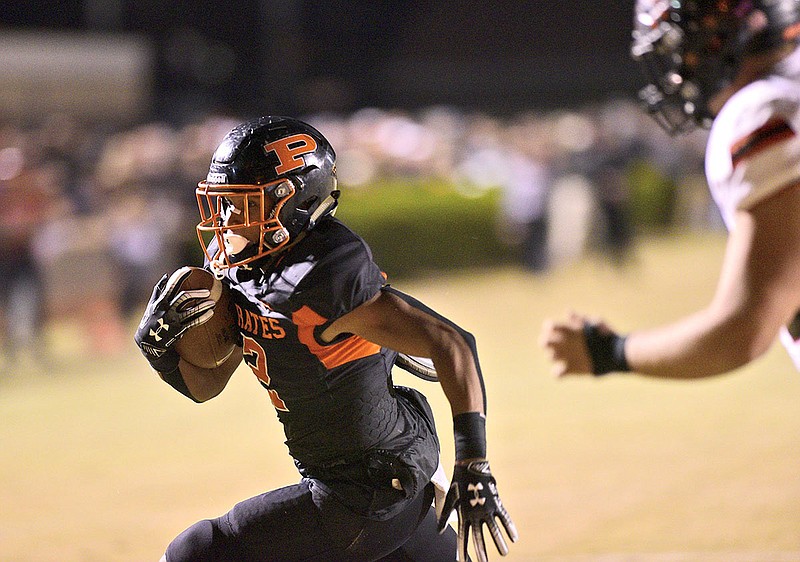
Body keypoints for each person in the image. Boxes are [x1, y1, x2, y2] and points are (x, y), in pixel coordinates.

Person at [134, 116, 517, 561]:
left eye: (243, 206)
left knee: (195, 553)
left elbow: (452, 343)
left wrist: (473, 464)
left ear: (291, 201)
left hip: (366, 489)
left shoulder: (322, 273)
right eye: (224, 204)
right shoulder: (242, 265)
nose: (226, 220)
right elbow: (207, 385)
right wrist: (160, 351)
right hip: (369, 485)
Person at [540, 0, 800, 380]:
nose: (680, 69)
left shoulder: (761, 112)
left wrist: (611, 352)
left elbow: (741, 332)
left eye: (686, 46)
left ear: (729, 32)